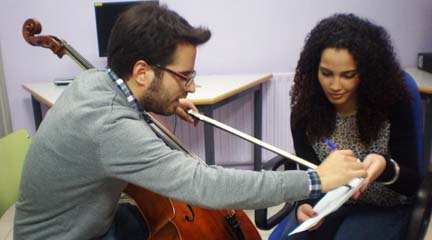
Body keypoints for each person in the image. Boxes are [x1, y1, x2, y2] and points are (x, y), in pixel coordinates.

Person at [14, 4, 367, 240]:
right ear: (142, 72)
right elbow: (205, 184)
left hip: (91, 220)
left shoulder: (94, 82)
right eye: (184, 76)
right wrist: (314, 178)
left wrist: (158, 107)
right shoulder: (110, 127)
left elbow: (122, 113)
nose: (191, 86)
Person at [280, 13, 421, 240]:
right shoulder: (304, 114)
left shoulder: (393, 105)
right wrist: (303, 205)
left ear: (366, 73)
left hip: (384, 206)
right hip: (330, 203)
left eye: (348, 75)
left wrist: (385, 167)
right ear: (314, 69)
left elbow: (412, 184)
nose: (335, 86)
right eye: (326, 73)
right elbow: (310, 174)